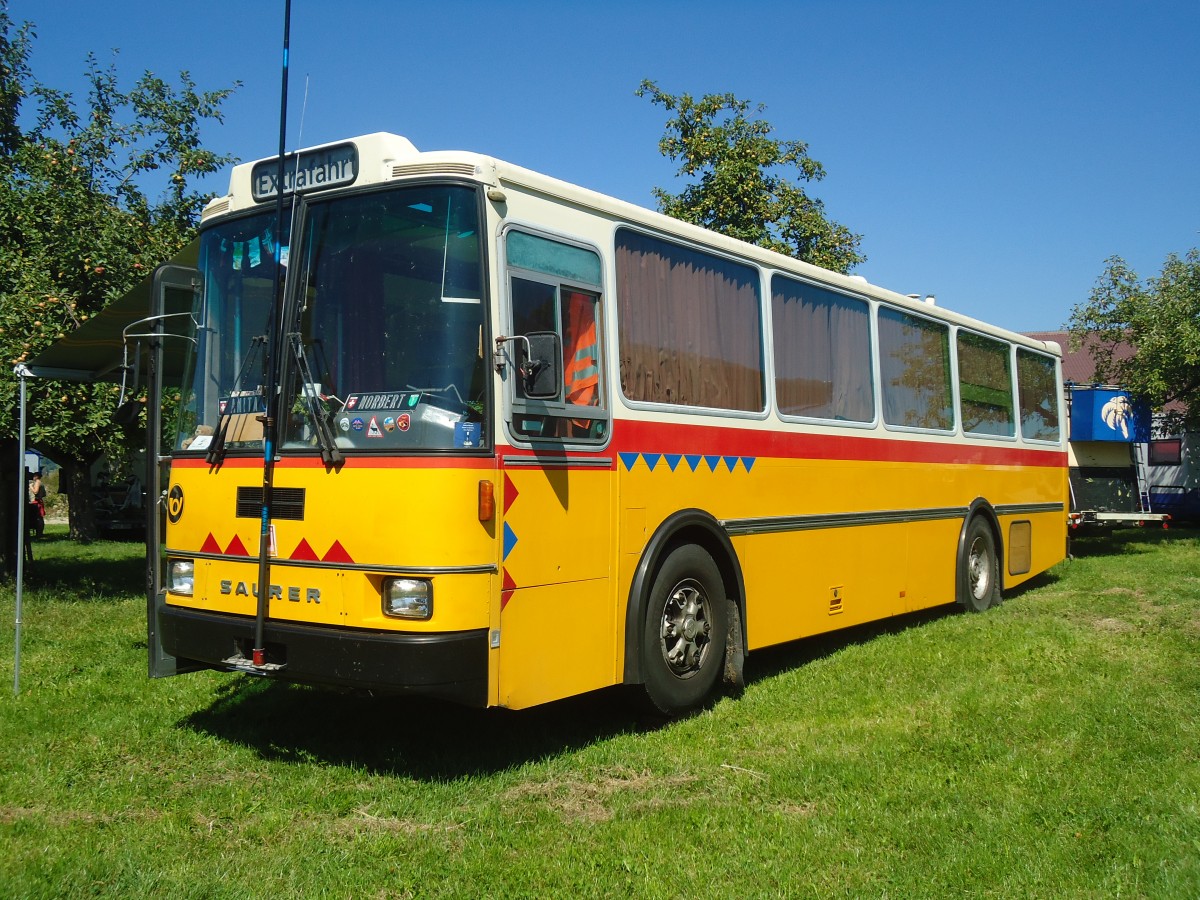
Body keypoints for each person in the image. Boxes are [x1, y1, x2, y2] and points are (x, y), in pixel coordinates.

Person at [27, 470, 46, 538]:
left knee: (38, 517)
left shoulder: (37, 482)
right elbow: (44, 494)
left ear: (36, 476)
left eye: (34, 476)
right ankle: (39, 532)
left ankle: (39, 533)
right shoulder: (41, 483)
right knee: (40, 517)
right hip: (39, 501)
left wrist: (31, 487)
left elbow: (35, 491)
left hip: (36, 501)